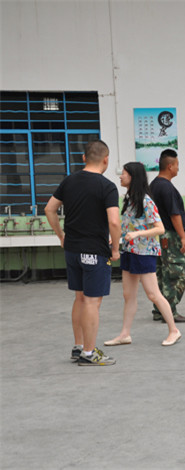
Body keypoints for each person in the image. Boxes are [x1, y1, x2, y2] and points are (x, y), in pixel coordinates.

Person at [45, 139, 120, 366]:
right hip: (94, 251)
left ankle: (78, 347)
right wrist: (115, 249)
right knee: (91, 301)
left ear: (84, 158)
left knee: (79, 298)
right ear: (106, 160)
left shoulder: (69, 181)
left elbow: (49, 209)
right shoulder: (107, 186)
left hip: (72, 250)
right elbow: (114, 222)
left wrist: (61, 236)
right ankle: (89, 352)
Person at [104, 162, 181, 348]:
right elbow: (128, 226)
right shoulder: (129, 200)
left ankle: (174, 330)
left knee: (153, 294)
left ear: (133, 177)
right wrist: (117, 237)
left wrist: (137, 234)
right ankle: (125, 334)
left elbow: (160, 228)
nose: (120, 176)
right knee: (128, 295)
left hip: (145, 253)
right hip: (129, 251)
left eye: (123, 173)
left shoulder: (146, 201)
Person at [149, 149, 185, 323]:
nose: (178, 168)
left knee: (161, 273)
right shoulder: (166, 187)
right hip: (170, 236)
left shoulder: (153, 185)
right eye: (177, 165)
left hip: (158, 236)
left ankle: (159, 310)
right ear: (169, 166)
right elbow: (174, 215)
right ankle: (170, 311)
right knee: (175, 274)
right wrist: (183, 237)